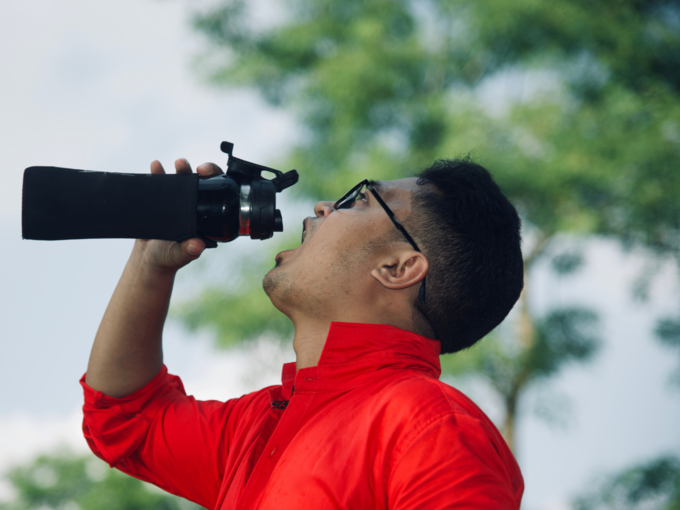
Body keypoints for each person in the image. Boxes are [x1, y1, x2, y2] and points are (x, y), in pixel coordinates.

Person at [81, 155, 525, 509]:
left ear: (398, 267)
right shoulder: (258, 427)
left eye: (362, 200)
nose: (323, 207)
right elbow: (126, 420)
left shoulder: (429, 425)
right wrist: (149, 260)